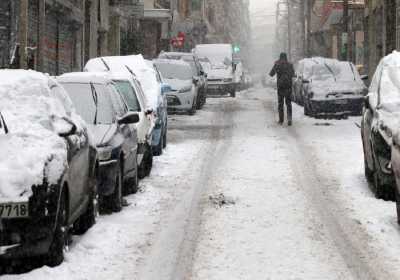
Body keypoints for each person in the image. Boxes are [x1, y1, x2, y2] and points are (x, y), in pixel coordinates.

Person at [269, 53, 295, 126]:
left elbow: (271, 74)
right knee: (288, 104)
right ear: (286, 57)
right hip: (288, 86)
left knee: (280, 104)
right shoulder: (290, 65)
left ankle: (281, 120)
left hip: (280, 87)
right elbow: (293, 74)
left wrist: (277, 69)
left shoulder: (277, 64)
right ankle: (289, 119)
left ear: (280, 57)